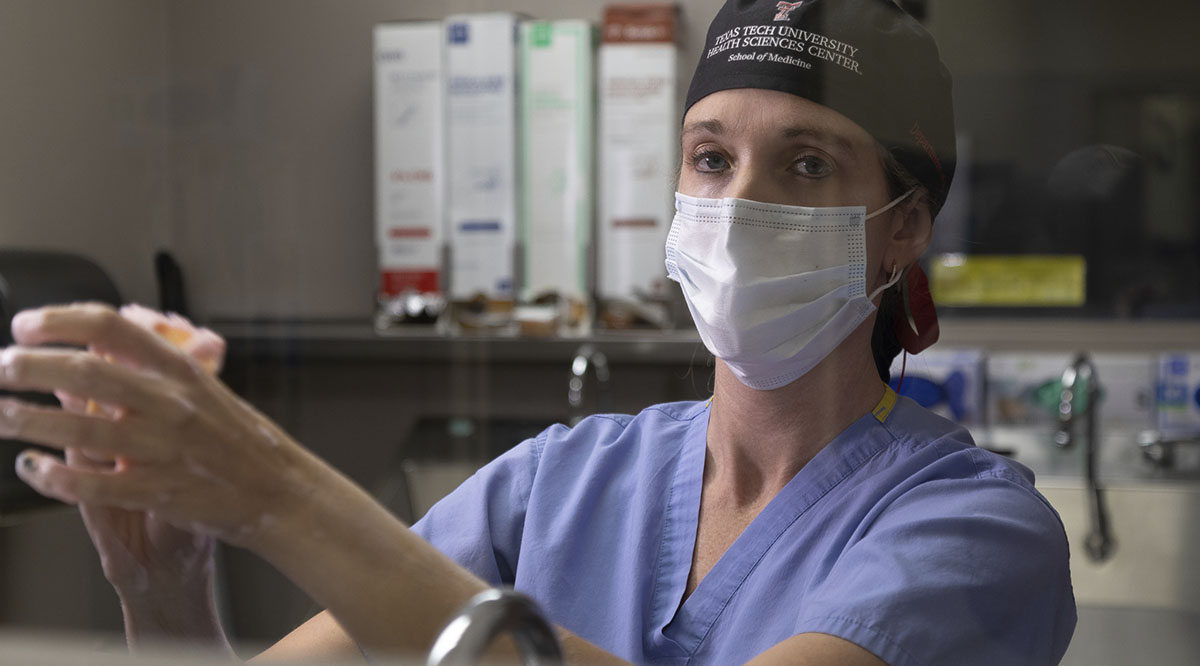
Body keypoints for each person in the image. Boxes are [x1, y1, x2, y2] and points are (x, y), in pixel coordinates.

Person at [3, 1, 1075, 664]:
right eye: (710, 158)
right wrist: (164, 592)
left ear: (903, 231)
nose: (738, 205)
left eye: (805, 165)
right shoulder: (560, 485)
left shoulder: (975, 534)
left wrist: (275, 490)